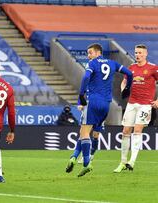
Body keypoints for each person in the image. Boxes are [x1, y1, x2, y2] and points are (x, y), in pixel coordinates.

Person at [65, 43, 133, 177]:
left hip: (93, 101)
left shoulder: (92, 64)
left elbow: (85, 78)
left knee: (85, 133)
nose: (88, 55)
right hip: (107, 104)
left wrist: (81, 95)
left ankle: (86, 163)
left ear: (98, 52)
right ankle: (73, 157)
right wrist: (127, 89)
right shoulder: (112, 63)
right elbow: (129, 73)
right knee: (84, 131)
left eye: (90, 53)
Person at [114, 44, 158, 173]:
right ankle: (122, 162)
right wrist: (123, 90)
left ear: (145, 54)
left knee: (138, 130)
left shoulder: (152, 68)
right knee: (126, 131)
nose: (137, 55)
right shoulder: (131, 68)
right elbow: (124, 81)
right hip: (132, 104)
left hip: (145, 104)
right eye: (136, 52)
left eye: (139, 53)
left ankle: (131, 162)